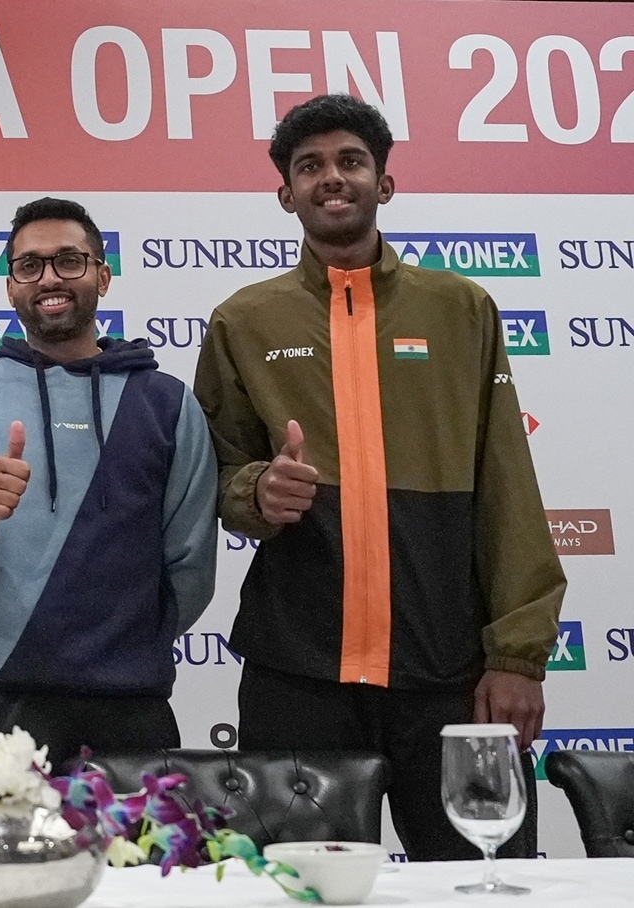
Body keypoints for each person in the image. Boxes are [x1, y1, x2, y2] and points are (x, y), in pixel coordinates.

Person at [193, 94, 565, 860]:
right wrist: (256, 493)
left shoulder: (463, 309)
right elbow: (216, 474)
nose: (333, 177)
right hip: (298, 674)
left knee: (485, 884)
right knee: (299, 891)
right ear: (286, 193)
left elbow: (507, 489)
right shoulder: (243, 320)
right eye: (310, 166)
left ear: (383, 184)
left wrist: (516, 656)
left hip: (451, 673)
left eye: (351, 161)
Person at [0, 197, 217, 770]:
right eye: (30, 266)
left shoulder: (167, 403)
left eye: (69, 261)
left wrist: (127, 645)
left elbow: (191, 564)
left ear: (102, 274)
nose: (49, 277)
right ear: (9, 287)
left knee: (140, 866)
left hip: (132, 707)